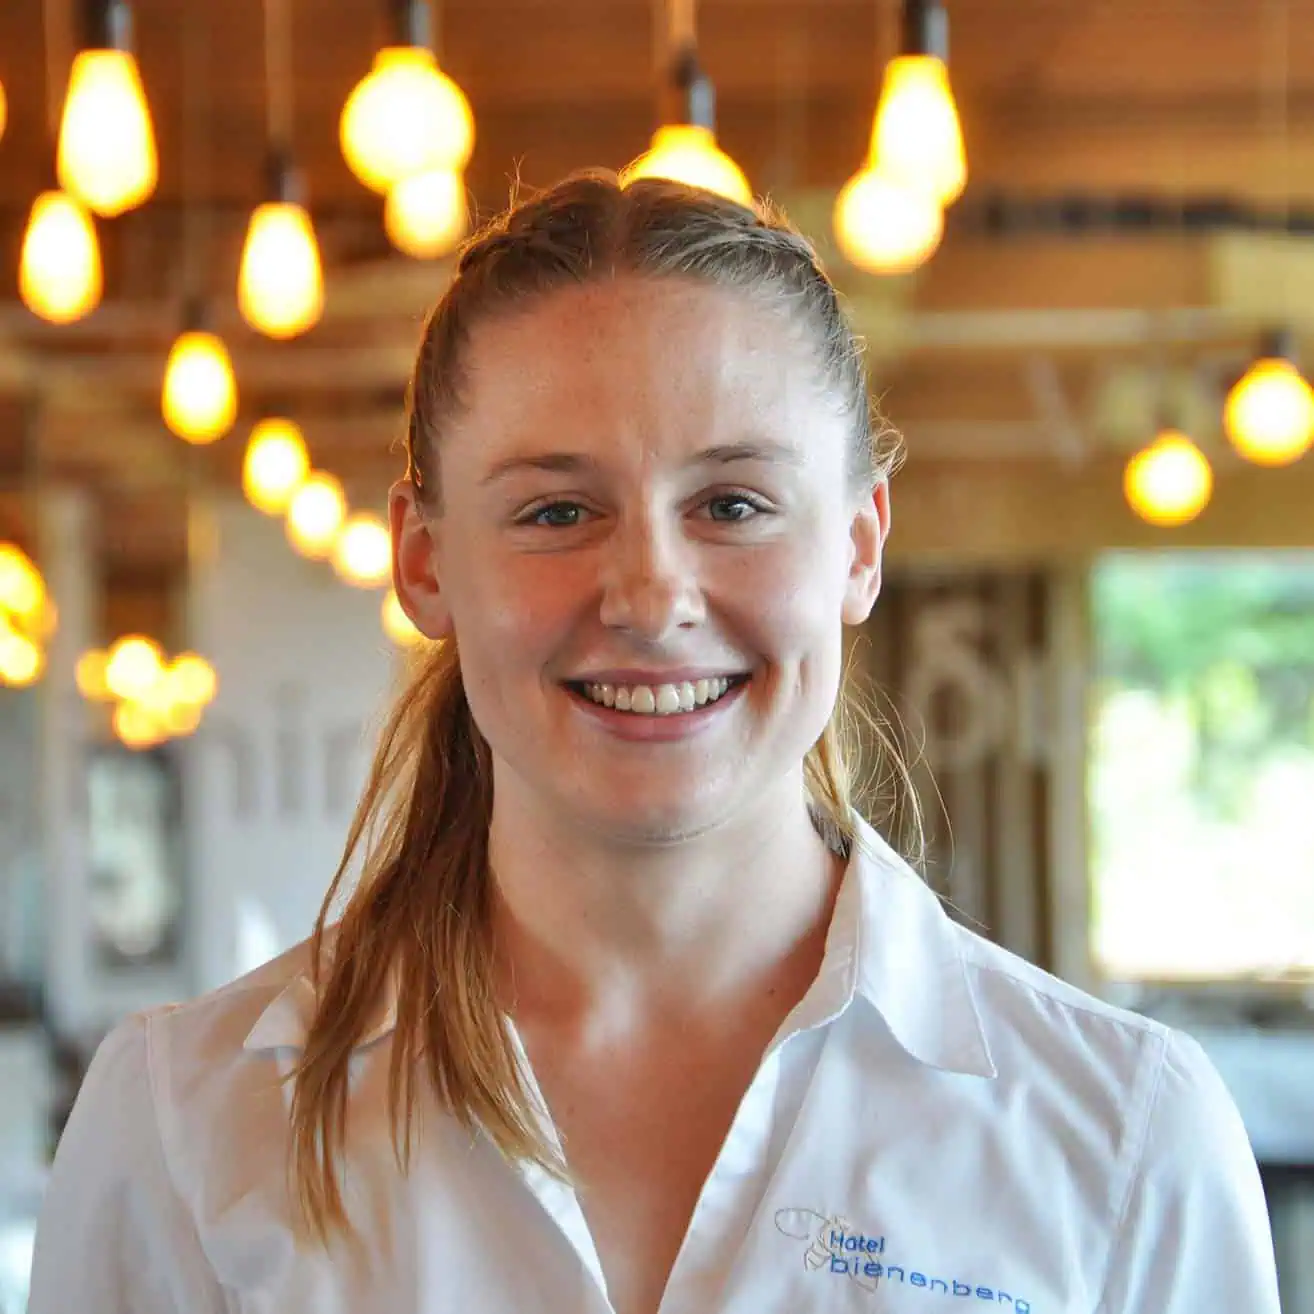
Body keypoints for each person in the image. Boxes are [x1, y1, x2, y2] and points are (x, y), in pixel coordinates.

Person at [28, 172, 1279, 1314]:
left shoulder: (1120, 1139)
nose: (650, 592)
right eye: (557, 510)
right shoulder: (184, 1130)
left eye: (733, 504)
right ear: (424, 562)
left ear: (857, 545)